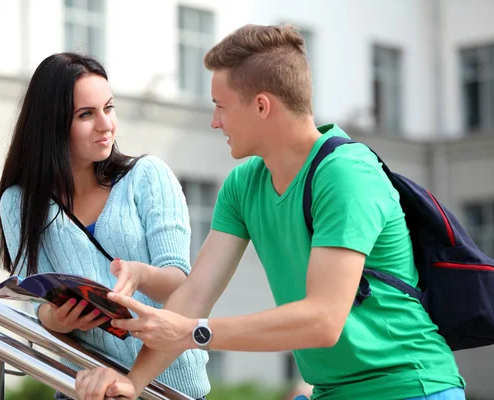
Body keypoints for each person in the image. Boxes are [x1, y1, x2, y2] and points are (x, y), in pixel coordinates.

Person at [74, 24, 467, 400]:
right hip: (332, 391)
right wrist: (134, 381)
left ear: (262, 106)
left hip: (412, 387)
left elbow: (323, 320)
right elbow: (195, 293)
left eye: (220, 107)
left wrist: (194, 332)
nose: (214, 121)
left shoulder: (346, 174)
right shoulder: (243, 185)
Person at [0, 52, 210, 400]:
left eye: (109, 108)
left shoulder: (148, 176)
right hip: (87, 389)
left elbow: (179, 285)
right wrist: (58, 318)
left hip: (168, 389)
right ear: (52, 123)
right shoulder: (20, 203)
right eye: (86, 114)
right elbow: (36, 304)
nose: (105, 124)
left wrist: (140, 274)